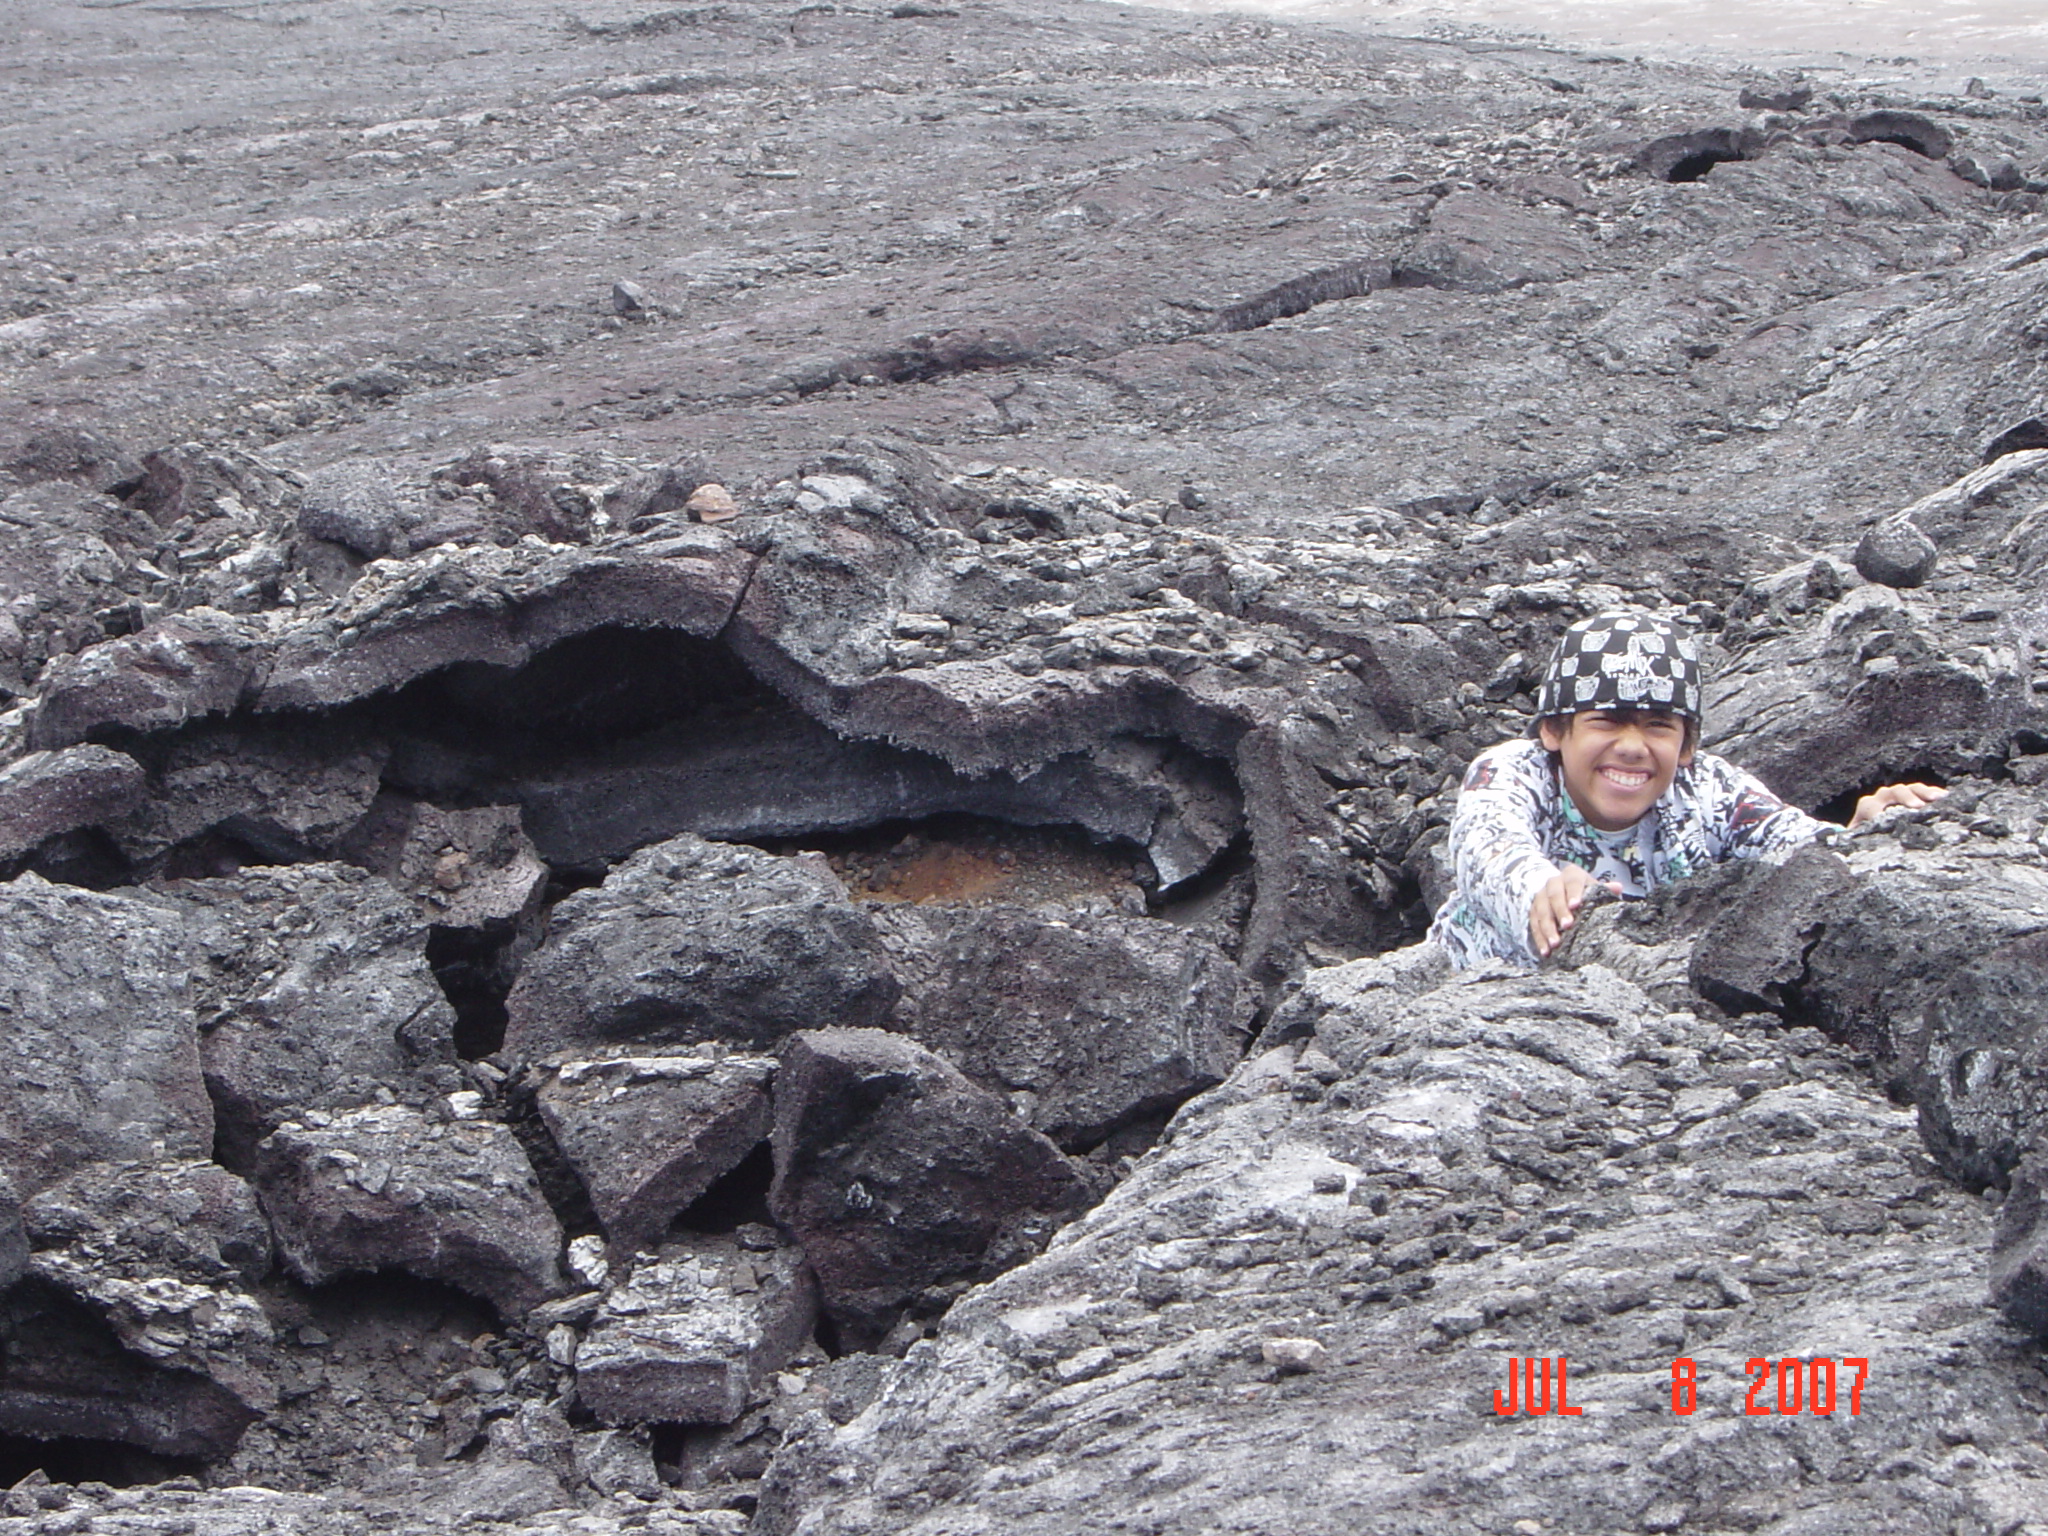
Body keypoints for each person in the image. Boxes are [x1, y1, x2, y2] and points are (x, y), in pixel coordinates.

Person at [1426, 609, 1945, 970]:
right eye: (1607, 722)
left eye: (1659, 726)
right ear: (1554, 731)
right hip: (1469, 996)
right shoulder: (1512, 770)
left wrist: (1864, 834)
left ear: (1688, 745)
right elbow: (1487, 845)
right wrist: (1540, 891)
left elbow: (1801, 849)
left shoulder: (1710, 789)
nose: (1632, 747)